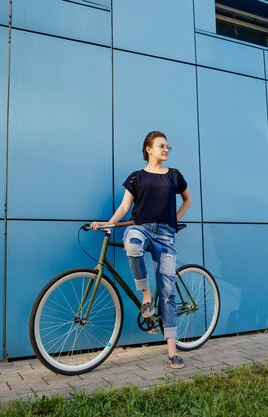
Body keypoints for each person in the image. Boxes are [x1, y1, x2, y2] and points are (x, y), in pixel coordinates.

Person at [91, 131, 191, 369]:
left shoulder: (174, 176)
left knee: (167, 292)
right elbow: (125, 207)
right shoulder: (137, 178)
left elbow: (187, 199)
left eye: (168, 146)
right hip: (141, 228)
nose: (166, 149)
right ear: (148, 149)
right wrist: (108, 223)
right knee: (132, 244)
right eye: (161, 146)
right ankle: (146, 295)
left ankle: (172, 351)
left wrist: (174, 222)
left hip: (166, 235)